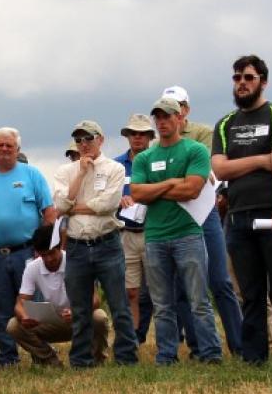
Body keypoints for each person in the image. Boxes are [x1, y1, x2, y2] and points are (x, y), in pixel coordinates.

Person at [210, 55, 272, 367]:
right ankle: (254, 358)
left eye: (249, 77)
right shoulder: (225, 125)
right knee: (251, 293)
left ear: (263, 81)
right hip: (239, 217)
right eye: (237, 77)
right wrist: (259, 160)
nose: (242, 83)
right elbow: (220, 169)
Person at [130, 96, 223, 364]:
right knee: (161, 304)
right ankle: (166, 356)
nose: (162, 122)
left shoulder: (195, 150)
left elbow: (192, 190)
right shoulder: (145, 157)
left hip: (188, 234)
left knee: (198, 300)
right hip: (155, 237)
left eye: (167, 116)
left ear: (179, 119)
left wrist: (154, 190)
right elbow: (136, 192)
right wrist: (172, 183)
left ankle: (210, 353)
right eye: (157, 117)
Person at [162, 86, 244, 353]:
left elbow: (204, 174)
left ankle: (240, 345)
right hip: (176, 215)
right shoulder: (157, 141)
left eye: (176, 107)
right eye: (166, 108)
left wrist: (173, 179)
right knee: (181, 286)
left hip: (205, 212)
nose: (171, 113)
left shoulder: (204, 134)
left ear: (186, 109)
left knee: (220, 280)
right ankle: (199, 348)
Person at [52, 120, 139, 366]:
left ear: (100, 139)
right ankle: (81, 360)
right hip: (77, 247)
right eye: (79, 139)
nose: (83, 144)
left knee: (119, 305)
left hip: (108, 244)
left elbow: (108, 204)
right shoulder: (64, 172)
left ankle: (126, 358)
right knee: (80, 310)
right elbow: (59, 206)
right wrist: (80, 173)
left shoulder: (114, 168)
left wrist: (72, 208)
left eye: (88, 138)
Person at [0, 127, 55, 366]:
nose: (4, 149)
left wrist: (42, 247)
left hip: (27, 252)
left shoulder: (32, 174)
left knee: (33, 307)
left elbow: (49, 213)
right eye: (0, 145)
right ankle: (7, 358)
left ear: (18, 149)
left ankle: (40, 355)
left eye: (9, 146)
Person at [7, 225, 110, 366]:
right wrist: (24, 316)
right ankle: (50, 360)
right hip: (50, 322)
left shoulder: (76, 262)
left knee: (99, 317)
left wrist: (77, 312)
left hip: (78, 318)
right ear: (37, 253)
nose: (49, 259)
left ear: (60, 246)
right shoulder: (32, 268)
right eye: (44, 255)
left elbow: (95, 299)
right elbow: (20, 303)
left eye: (52, 253)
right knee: (13, 326)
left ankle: (96, 359)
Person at [114, 113, 154, 333]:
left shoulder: (158, 160)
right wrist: (117, 199)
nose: (137, 138)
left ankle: (170, 341)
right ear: (127, 136)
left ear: (149, 136)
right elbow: (106, 194)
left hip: (153, 231)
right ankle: (133, 341)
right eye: (133, 133)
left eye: (142, 134)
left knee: (160, 290)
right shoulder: (116, 165)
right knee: (131, 291)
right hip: (126, 233)